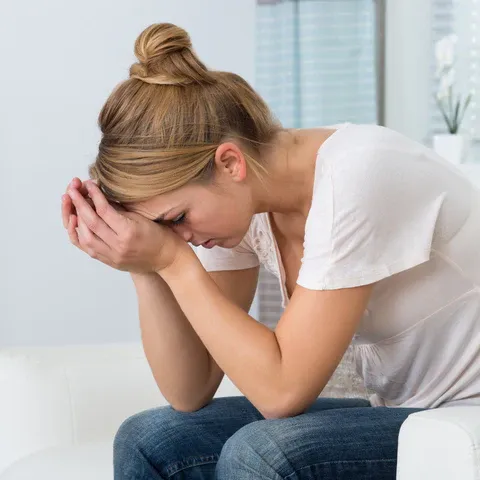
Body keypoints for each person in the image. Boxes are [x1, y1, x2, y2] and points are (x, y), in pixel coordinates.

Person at [61, 22, 480, 480]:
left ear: (229, 162)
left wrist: (173, 263)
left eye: (176, 219)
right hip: (407, 413)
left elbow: (282, 392)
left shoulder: (359, 171)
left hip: (465, 417)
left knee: (264, 452)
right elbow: (190, 388)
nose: (178, 238)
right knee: (151, 439)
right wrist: (142, 266)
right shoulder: (242, 205)